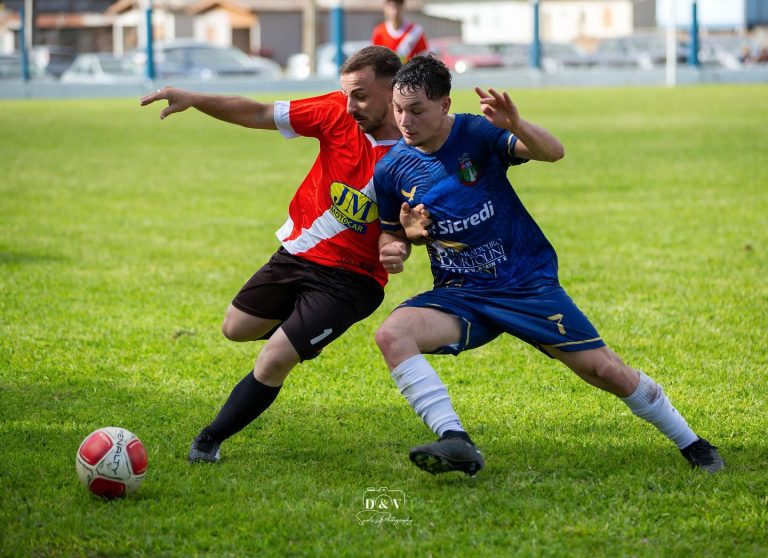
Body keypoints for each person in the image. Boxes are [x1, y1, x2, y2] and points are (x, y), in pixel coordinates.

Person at [373, 54, 723, 477]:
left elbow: (553, 152)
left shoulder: (474, 131)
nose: (404, 121)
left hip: (524, 283)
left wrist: (515, 125)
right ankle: (455, 439)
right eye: (397, 110)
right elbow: (393, 233)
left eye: (416, 110)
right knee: (392, 335)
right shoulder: (392, 167)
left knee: (605, 370)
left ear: (444, 105)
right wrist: (398, 243)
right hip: (461, 293)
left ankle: (692, 442)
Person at [140, 46, 403, 463]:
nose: (349, 104)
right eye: (346, 93)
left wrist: (405, 241)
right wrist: (196, 99)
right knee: (236, 327)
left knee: (273, 359)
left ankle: (207, 441)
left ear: (394, 91)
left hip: (353, 280)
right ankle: (303, 335)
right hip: (298, 254)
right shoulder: (336, 111)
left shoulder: (419, 148)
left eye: (361, 95)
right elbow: (260, 113)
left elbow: (418, 224)